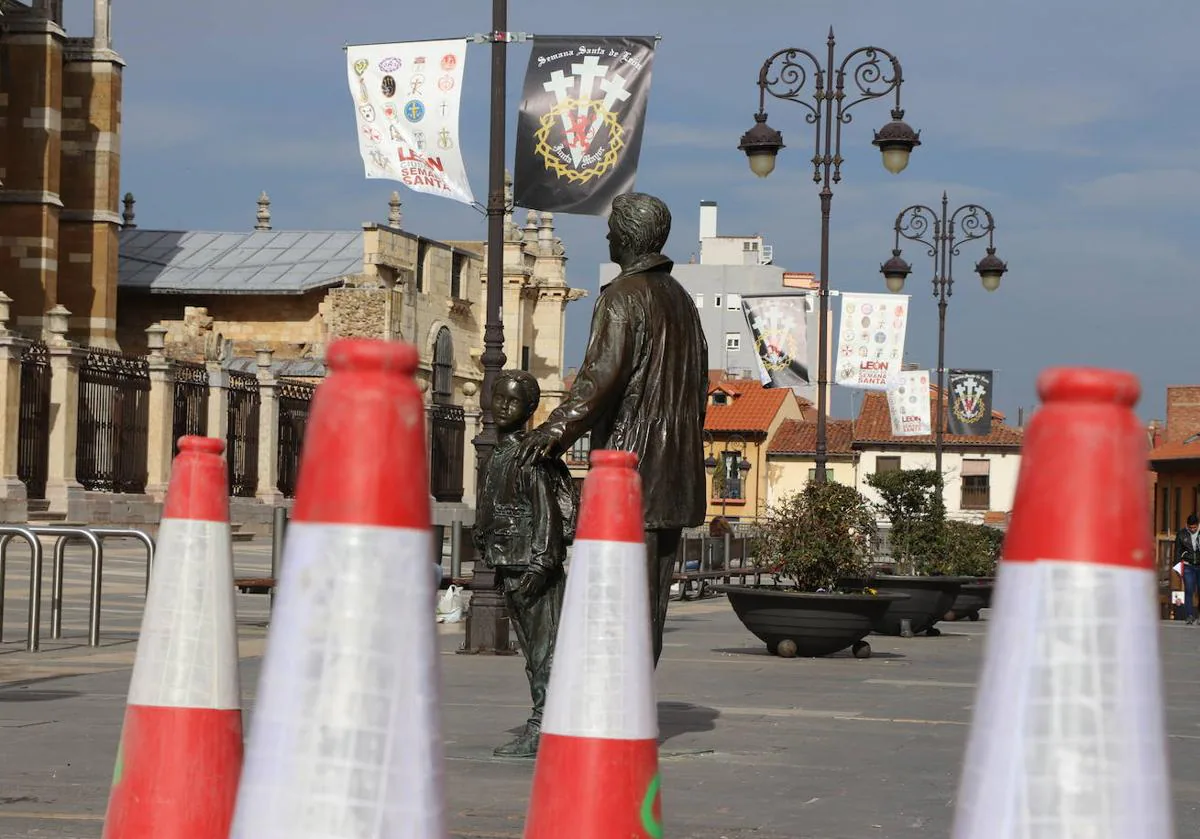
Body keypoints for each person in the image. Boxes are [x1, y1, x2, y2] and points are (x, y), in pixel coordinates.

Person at [517, 191, 708, 667]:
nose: (605, 236)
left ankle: (616, 710)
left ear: (625, 236)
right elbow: (699, 386)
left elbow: (598, 380)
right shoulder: (682, 301)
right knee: (652, 603)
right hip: (676, 472)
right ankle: (636, 704)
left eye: (611, 229)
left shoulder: (624, 297)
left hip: (631, 468)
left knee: (618, 599)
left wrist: (552, 433)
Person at [473, 370, 578, 757]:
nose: (502, 406)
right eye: (498, 397)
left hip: (532, 568)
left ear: (530, 408)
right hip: (510, 565)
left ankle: (544, 725)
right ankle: (547, 719)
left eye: (512, 401)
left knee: (544, 650)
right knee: (534, 651)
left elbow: (546, 514)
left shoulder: (529, 457)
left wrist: (540, 565)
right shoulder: (500, 455)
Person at [1177, 513, 1200, 624]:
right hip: (1188, 566)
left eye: (1194, 527)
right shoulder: (1181, 534)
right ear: (1187, 525)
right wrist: (1177, 567)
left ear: (1198, 525)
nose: (1192, 529)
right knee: (1189, 590)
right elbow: (1177, 552)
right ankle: (1189, 615)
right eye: (1190, 527)